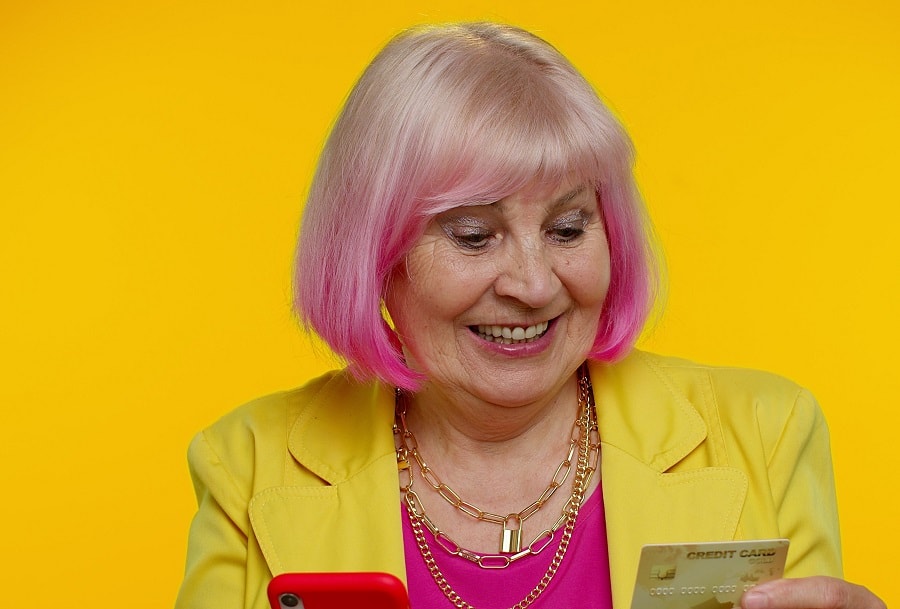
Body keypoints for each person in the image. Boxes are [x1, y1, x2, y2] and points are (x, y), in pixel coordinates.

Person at [175, 22, 885, 609]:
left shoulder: (766, 433)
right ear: (377, 255)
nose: (534, 283)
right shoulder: (247, 464)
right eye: (474, 235)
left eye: (569, 228)